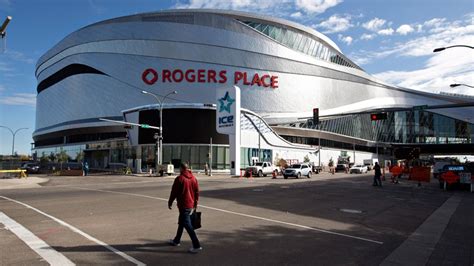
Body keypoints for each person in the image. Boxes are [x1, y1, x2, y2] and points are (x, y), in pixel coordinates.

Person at [168, 163, 202, 253]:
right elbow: (197, 192)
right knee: (182, 222)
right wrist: (195, 204)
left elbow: (174, 192)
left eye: (179, 168)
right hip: (190, 205)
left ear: (182, 168)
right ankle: (176, 240)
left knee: (188, 225)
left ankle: (196, 245)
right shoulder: (194, 179)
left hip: (183, 205)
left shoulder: (180, 179)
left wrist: (170, 202)